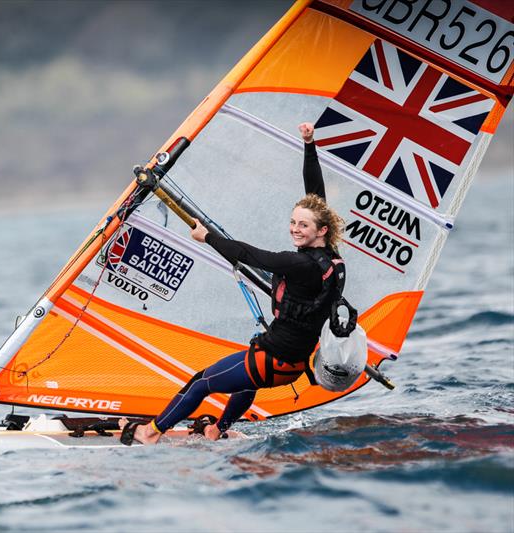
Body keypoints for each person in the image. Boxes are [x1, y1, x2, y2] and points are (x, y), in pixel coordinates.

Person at [120, 122, 346, 445]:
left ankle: (151, 432)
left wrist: (207, 237)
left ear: (321, 230)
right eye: (293, 222)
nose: (295, 229)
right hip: (292, 364)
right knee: (244, 381)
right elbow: (316, 196)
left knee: (201, 382)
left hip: (272, 361)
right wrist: (310, 146)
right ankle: (217, 429)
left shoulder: (300, 264)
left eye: (303, 225)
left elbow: (249, 254)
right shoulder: (331, 260)